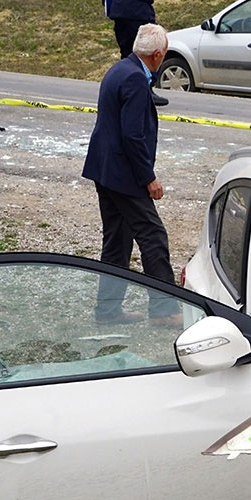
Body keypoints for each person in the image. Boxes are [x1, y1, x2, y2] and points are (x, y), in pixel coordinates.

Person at [82, 24, 181, 324]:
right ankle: (163, 312)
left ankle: (108, 312)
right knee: (153, 236)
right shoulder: (137, 80)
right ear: (157, 54)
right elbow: (133, 135)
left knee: (117, 242)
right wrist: (148, 178)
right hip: (124, 175)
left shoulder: (119, 69)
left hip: (105, 169)